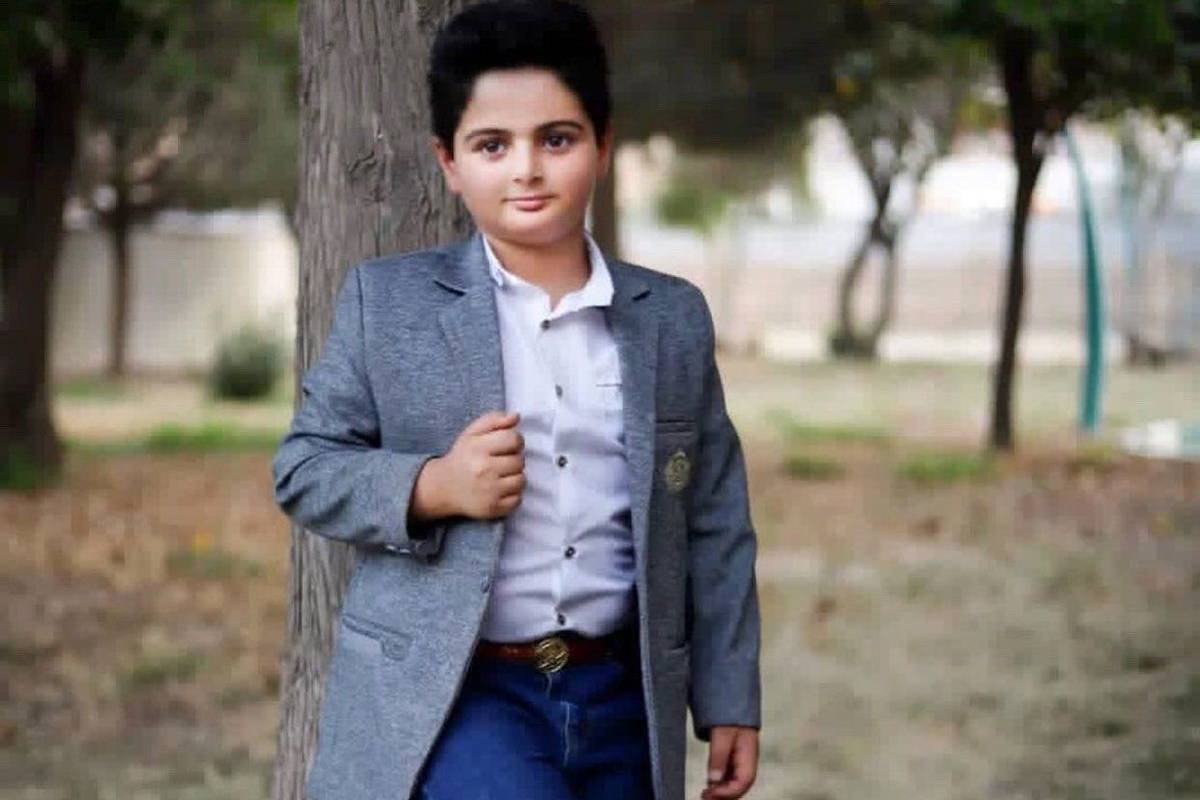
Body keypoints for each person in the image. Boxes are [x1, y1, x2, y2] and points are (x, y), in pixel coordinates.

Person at [271, 2, 761, 798]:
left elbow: (714, 519)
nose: (526, 169)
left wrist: (730, 695)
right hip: (459, 696)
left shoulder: (671, 318)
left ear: (603, 145)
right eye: (492, 145)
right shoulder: (388, 305)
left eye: (556, 140)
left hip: (623, 695)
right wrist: (433, 485)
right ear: (449, 162)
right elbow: (304, 468)